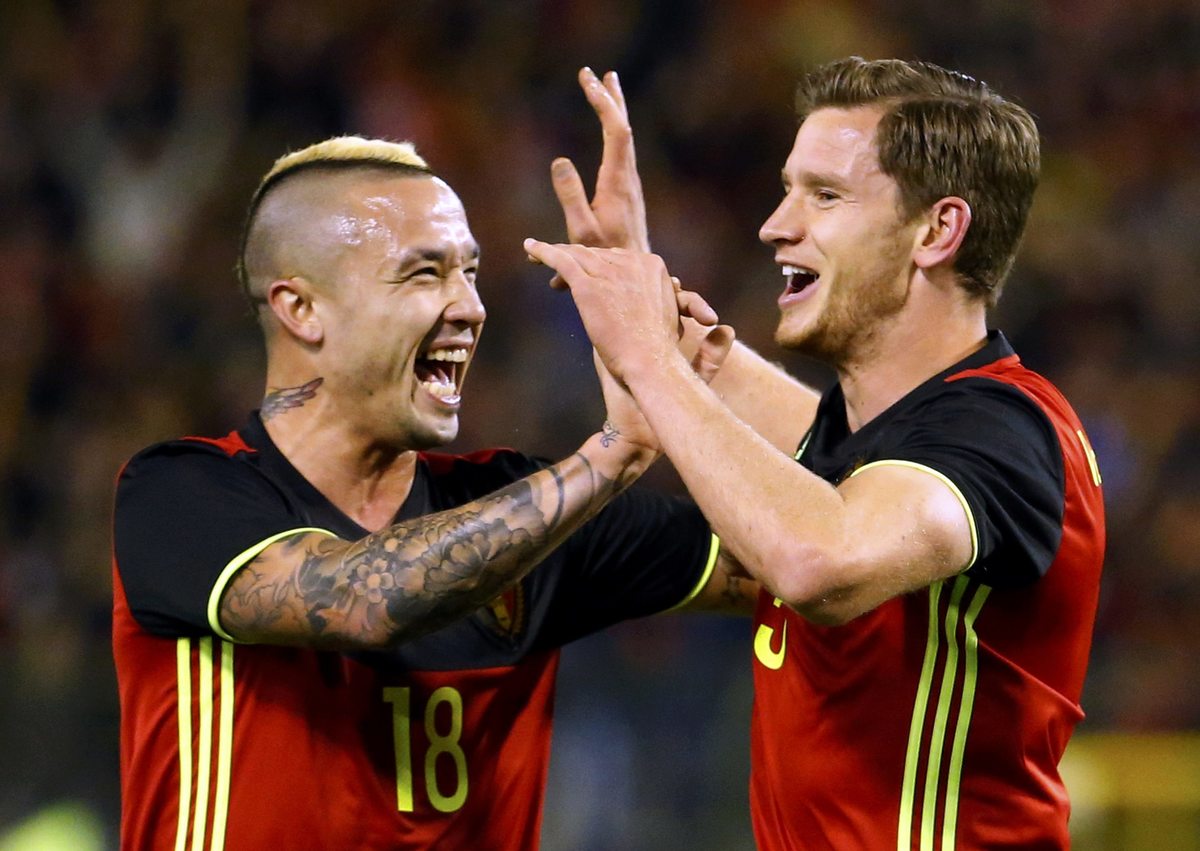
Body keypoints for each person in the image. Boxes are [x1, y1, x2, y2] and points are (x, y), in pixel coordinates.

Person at [111, 129, 750, 849]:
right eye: (424, 274)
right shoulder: (179, 494)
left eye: (470, 273)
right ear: (302, 309)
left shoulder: (543, 513)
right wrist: (611, 455)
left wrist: (669, 350)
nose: (471, 307)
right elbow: (363, 602)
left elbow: (806, 556)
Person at [529, 57, 1106, 849]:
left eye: (825, 196)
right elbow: (781, 451)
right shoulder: (870, 438)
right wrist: (644, 302)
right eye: (787, 188)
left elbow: (816, 559)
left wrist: (652, 354)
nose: (776, 225)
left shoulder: (1007, 430)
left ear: (937, 232)